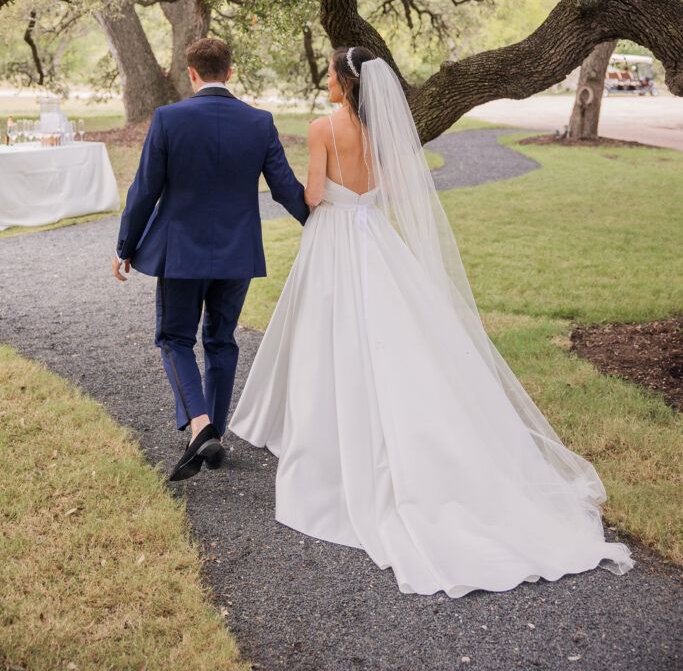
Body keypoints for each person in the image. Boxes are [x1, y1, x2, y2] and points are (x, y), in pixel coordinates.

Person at [229, 47, 635, 597]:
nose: (324, 80)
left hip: (336, 238)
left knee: (332, 338)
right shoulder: (380, 133)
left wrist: (317, 195)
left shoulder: (324, 128)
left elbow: (316, 195)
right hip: (375, 237)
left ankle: (328, 438)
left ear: (345, 84)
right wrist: (363, 196)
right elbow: (394, 189)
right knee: (395, 338)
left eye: (329, 73)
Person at [112, 37, 308, 482]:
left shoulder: (168, 118)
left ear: (192, 73)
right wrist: (318, 222)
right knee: (221, 340)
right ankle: (212, 430)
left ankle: (200, 426)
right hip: (238, 254)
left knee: (175, 339)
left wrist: (125, 245)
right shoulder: (259, 122)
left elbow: (145, 189)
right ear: (230, 72)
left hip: (181, 254)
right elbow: (285, 187)